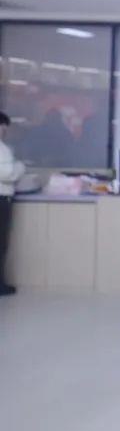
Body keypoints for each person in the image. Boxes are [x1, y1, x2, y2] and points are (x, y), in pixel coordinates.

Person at [0, 111, 27, 297]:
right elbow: (8, 174)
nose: (5, 131)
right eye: (4, 127)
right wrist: (21, 166)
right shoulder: (1, 149)